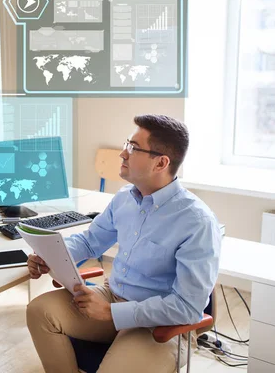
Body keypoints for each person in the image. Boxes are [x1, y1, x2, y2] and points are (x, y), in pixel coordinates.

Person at [26, 115, 222, 373]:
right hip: (112, 298)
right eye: (127, 144)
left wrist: (111, 313)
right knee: (39, 311)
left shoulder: (197, 222)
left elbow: (187, 307)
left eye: (133, 147)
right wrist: (49, 256)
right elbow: (89, 241)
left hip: (159, 323)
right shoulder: (124, 199)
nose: (122, 154)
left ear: (161, 163)